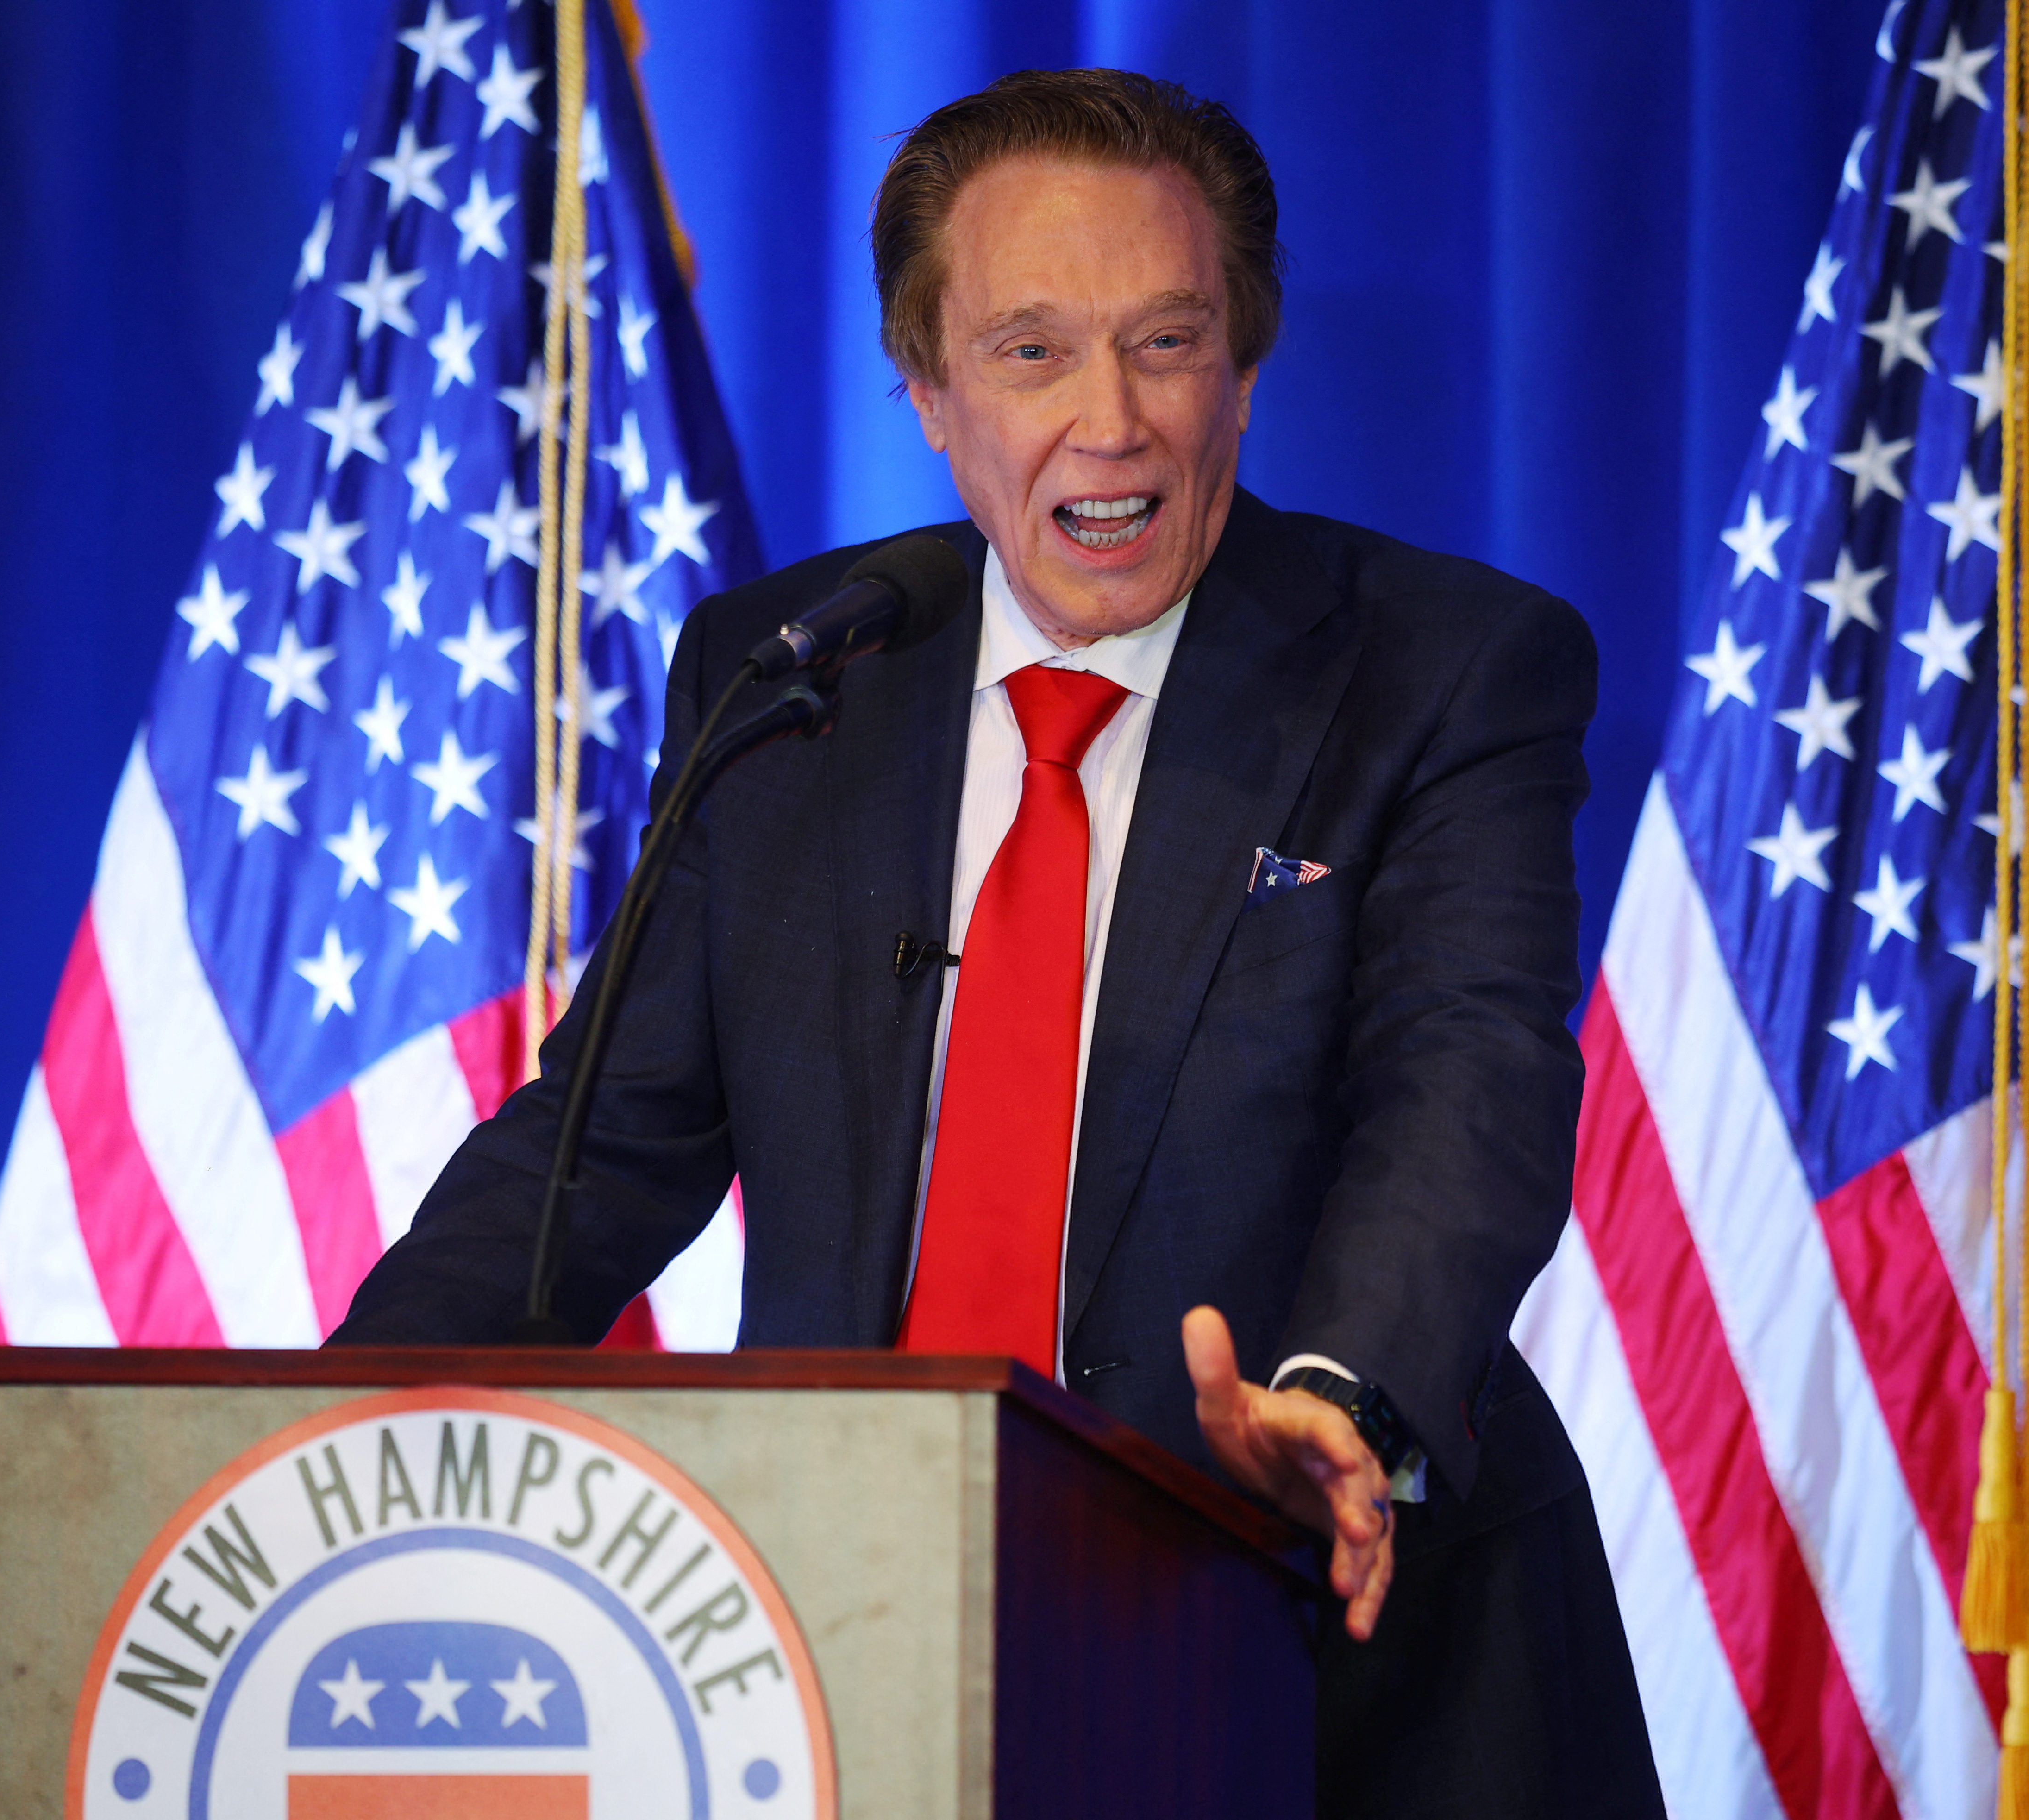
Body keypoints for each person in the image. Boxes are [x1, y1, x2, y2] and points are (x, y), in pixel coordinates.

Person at [336, 67, 1662, 1817]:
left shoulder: (1444, 667)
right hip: (854, 1651)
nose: (1112, 420)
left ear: (1244, 371)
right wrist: (321, 1433)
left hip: (1339, 1680)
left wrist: (1339, 1402)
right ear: (929, 391)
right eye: (1033, 350)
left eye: (1168, 342)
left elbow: (1465, 1082)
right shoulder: (796, 669)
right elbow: (601, 1142)